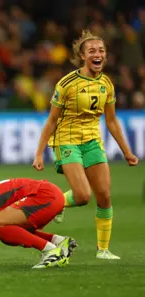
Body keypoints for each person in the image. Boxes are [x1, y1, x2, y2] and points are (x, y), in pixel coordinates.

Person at [32, 30, 139, 260]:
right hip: (67, 140)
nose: (97, 54)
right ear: (82, 56)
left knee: (104, 195)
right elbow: (51, 120)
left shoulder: (107, 85)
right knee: (82, 196)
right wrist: (39, 153)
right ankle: (58, 202)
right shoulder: (67, 84)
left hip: (92, 141)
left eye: (101, 50)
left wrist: (127, 152)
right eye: (92, 51)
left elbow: (111, 120)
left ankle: (103, 250)